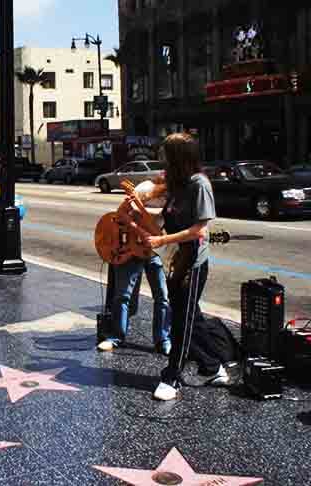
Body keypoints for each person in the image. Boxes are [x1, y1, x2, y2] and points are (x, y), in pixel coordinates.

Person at [130, 133, 227, 401]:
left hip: (193, 263)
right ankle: (214, 366)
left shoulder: (199, 184)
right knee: (190, 318)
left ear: (179, 158)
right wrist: (138, 219)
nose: (162, 160)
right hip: (176, 261)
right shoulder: (178, 184)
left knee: (181, 322)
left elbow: (199, 229)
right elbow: (162, 222)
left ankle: (172, 377)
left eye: (166, 155)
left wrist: (161, 240)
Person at [97, 179, 172, 356]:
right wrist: (137, 228)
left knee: (163, 296)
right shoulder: (144, 189)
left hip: (154, 252)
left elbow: (157, 231)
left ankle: (163, 339)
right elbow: (120, 213)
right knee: (123, 296)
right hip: (131, 248)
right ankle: (116, 337)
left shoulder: (174, 197)